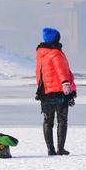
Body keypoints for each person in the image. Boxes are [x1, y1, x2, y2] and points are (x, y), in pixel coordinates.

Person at [35, 27, 77, 156]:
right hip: (59, 91)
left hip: (45, 92)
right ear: (56, 39)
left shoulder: (41, 53)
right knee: (62, 120)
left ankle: (50, 149)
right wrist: (66, 85)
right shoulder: (56, 53)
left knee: (48, 121)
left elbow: (39, 74)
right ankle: (60, 148)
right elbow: (61, 70)